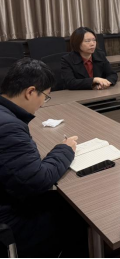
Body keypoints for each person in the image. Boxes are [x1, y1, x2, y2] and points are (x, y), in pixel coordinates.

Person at [0, 59, 84, 257]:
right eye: (45, 96)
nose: (43, 103)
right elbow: (37, 181)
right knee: (78, 214)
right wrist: (65, 149)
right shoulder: (8, 127)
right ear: (30, 92)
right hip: (12, 220)